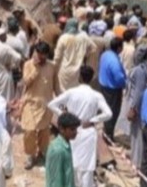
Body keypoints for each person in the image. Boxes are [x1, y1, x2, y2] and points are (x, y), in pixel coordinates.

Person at [48, 66, 112, 187]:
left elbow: (52, 104)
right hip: (88, 133)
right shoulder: (96, 95)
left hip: (72, 132)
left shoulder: (71, 92)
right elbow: (108, 113)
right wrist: (93, 120)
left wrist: (65, 116)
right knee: (87, 169)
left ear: (79, 77)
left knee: (73, 166)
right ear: (92, 78)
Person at [20, 42, 60, 170]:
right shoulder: (28, 65)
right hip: (30, 103)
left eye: (43, 56)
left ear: (47, 55)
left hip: (45, 104)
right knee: (29, 131)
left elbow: (56, 85)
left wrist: (60, 101)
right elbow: (26, 82)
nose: (40, 58)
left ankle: (42, 153)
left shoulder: (52, 66)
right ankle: (30, 155)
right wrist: (36, 70)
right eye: (38, 54)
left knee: (44, 131)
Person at [126, 44, 147, 169]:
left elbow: (138, 90)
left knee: (136, 135)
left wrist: (133, 108)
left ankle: (136, 163)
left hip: (138, 106)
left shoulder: (139, 70)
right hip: (144, 105)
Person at [54, 18, 96, 91]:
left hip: (65, 70)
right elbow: (93, 48)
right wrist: (85, 55)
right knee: (75, 91)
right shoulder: (83, 36)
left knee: (63, 92)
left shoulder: (63, 38)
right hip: (78, 70)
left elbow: (57, 57)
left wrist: (54, 69)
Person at [98, 38, 127, 141]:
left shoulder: (105, 54)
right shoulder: (114, 61)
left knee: (106, 109)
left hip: (104, 85)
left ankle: (107, 131)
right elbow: (119, 77)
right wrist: (125, 84)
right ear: (119, 47)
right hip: (113, 89)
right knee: (113, 112)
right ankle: (108, 135)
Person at [45, 112, 80, 187]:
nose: (76, 132)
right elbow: (55, 180)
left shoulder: (66, 144)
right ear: (61, 129)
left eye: (76, 129)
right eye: (72, 129)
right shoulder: (57, 149)